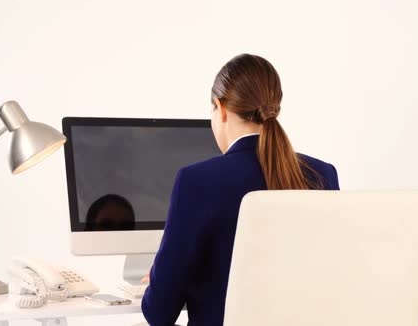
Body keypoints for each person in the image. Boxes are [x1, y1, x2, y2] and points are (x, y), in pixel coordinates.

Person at [141, 54, 340, 326]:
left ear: (221, 108)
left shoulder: (196, 180)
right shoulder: (322, 174)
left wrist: (160, 277)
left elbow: (159, 313)